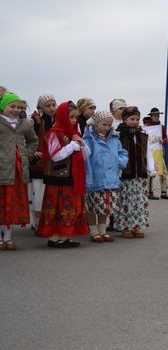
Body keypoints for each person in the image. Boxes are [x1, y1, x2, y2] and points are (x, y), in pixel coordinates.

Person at [37, 101, 91, 248]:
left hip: (72, 178)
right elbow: (54, 155)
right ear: (62, 116)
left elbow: (85, 156)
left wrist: (82, 144)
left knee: (70, 208)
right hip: (58, 178)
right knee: (59, 208)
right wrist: (72, 146)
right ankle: (55, 238)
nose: (74, 120)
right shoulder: (53, 133)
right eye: (71, 117)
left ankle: (66, 236)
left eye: (75, 117)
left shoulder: (74, 133)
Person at [0, 92, 38, 250]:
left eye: (18, 107)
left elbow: (33, 140)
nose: (15, 110)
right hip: (2, 168)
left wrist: (26, 156)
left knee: (11, 204)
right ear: (3, 107)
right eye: (11, 106)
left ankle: (8, 237)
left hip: (18, 170)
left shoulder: (25, 124)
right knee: (2, 203)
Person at [83, 110, 128, 243]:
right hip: (95, 177)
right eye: (104, 124)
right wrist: (88, 175)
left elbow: (122, 153)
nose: (107, 127)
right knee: (91, 205)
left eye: (109, 125)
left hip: (110, 177)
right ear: (96, 124)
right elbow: (85, 157)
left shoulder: (114, 138)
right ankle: (93, 231)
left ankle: (103, 230)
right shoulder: (89, 138)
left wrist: (119, 163)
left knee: (104, 206)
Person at [115, 106, 155, 238]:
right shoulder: (119, 135)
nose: (135, 121)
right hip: (125, 174)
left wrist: (151, 168)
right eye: (132, 119)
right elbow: (116, 153)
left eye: (137, 119)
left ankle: (137, 226)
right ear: (125, 119)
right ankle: (125, 227)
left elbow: (147, 152)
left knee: (138, 201)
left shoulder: (142, 135)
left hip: (140, 174)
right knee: (125, 201)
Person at [28, 94, 57, 230]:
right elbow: (27, 138)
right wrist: (33, 152)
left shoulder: (55, 120)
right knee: (37, 193)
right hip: (38, 164)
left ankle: (45, 221)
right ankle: (36, 222)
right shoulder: (35, 121)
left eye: (53, 105)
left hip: (51, 162)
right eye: (48, 105)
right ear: (41, 107)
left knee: (47, 193)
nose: (51, 108)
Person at [144, 107, 168, 200]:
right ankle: (149, 192)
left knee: (163, 172)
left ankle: (164, 192)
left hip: (159, 152)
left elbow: (165, 138)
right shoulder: (146, 127)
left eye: (158, 116)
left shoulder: (161, 127)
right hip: (150, 153)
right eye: (155, 116)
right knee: (151, 173)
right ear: (151, 116)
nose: (157, 117)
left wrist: (163, 140)